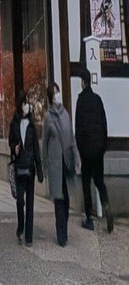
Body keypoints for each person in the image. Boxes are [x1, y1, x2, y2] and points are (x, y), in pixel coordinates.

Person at [75, 70, 113, 233]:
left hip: (87, 150)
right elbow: (104, 125)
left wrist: (80, 151)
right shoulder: (98, 100)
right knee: (99, 181)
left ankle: (89, 218)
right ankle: (106, 205)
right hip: (98, 148)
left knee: (86, 182)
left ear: (83, 82)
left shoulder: (81, 101)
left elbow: (78, 128)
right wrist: (103, 146)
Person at [43, 81, 78, 247]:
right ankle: (61, 235)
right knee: (59, 200)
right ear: (51, 98)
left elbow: (72, 138)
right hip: (56, 164)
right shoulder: (48, 117)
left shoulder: (66, 115)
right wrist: (44, 166)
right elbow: (44, 144)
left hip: (67, 163)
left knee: (67, 200)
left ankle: (64, 228)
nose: (57, 96)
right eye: (55, 93)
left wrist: (76, 158)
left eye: (58, 92)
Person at [9, 89, 43, 246]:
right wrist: (14, 147)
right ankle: (20, 228)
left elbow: (36, 148)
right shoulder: (14, 124)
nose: (26, 106)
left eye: (27, 103)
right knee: (20, 201)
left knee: (30, 203)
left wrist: (40, 169)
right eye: (24, 103)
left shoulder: (31, 126)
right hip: (19, 165)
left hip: (30, 167)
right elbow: (11, 142)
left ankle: (28, 236)